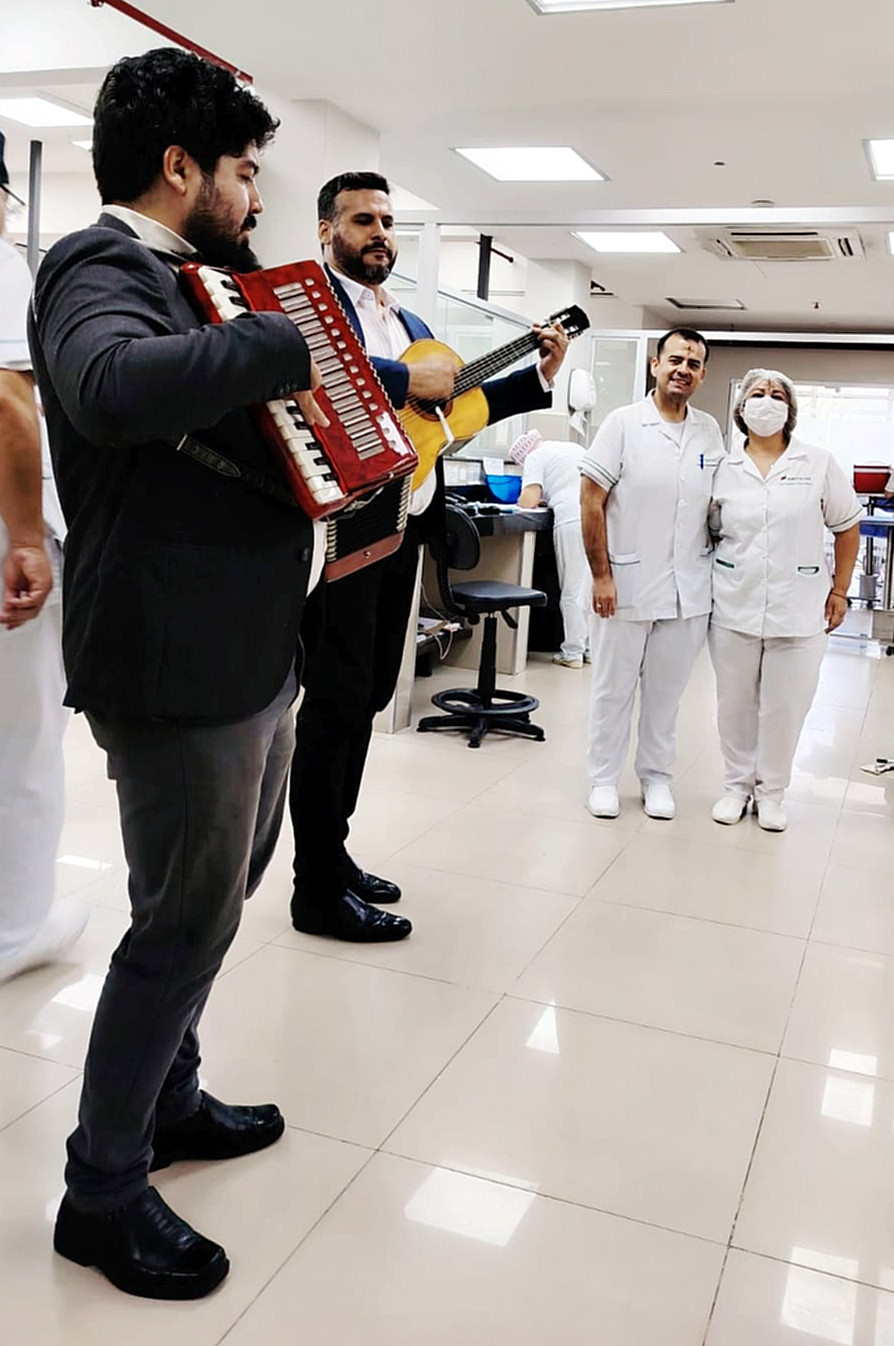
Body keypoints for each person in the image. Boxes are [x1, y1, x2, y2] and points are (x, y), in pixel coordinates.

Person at [28, 49, 329, 1301]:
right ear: (178, 167)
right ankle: (99, 1192)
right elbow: (109, 390)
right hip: (173, 659)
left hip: (246, 651)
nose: (253, 196)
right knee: (180, 922)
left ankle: (172, 1097)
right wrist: (281, 340)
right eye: (244, 172)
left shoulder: (186, 279)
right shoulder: (98, 267)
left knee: (223, 894)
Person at [288, 171, 569, 943]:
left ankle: (334, 853)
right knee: (336, 701)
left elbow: (456, 406)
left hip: (404, 528)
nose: (379, 233)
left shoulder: (408, 320)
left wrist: (539, 375)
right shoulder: (314, 310)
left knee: (374, 692)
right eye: (362, 220)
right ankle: (315, 888)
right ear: (326, 231)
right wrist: (408, 377)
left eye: (387, 221)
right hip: (345, 532)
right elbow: (324, 376)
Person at [0, 132, 87, 984]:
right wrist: (28, 535)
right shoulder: (0, 264)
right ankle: (17, 929)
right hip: (4, 535)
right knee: (25, 738)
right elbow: (9, 402)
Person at [580, 329, 724, 821]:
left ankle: (656, 778)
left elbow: (715, 506)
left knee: (666, 694)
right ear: (655, 365)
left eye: (693, 363)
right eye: (675, 359)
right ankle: (603, 779)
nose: (683, 369)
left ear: (702, 375)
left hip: (689, 589)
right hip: (625, 584)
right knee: (613, 689)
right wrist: (601, 575)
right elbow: (591, 501)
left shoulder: (709, 431)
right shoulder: (622, 424)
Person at [708, 369, 861, 832]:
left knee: (786, 706)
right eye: (757, 393)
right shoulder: (723, 467)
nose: (767, 401)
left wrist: (840, 589)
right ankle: (736, 786)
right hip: (734, 601)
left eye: (778, 395)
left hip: (801, 606)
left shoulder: (818, 462)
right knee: (734, 705)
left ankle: (771, 792)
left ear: (790, 410)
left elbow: (847, 526)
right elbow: (710, 530)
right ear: (741, 408)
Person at [515, 429, 590, 668]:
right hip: (601, 517)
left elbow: (528, 500)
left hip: (572, 519)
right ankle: (590, 649)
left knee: (572, 588)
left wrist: (524, 497)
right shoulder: (573, 448)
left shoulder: (534, 457)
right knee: (591, 586)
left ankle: (573, 653)